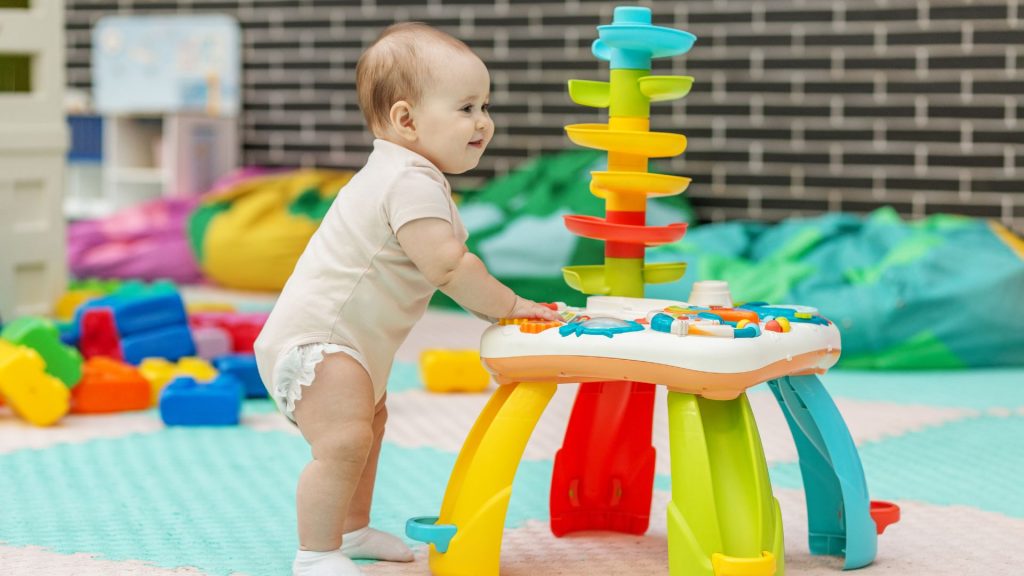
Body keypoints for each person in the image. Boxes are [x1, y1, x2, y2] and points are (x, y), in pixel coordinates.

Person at [253, 22, 561, 576]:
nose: (484, 122)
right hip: (319, 343)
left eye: (486, 105)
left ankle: (351, 530)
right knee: (344, 442)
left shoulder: (410, 173)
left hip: (352, 345)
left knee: (370, 428)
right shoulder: (407, 181)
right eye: (466, 107)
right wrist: (511, 307)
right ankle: (315, 552)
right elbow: (447, 266)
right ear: (405, 119)